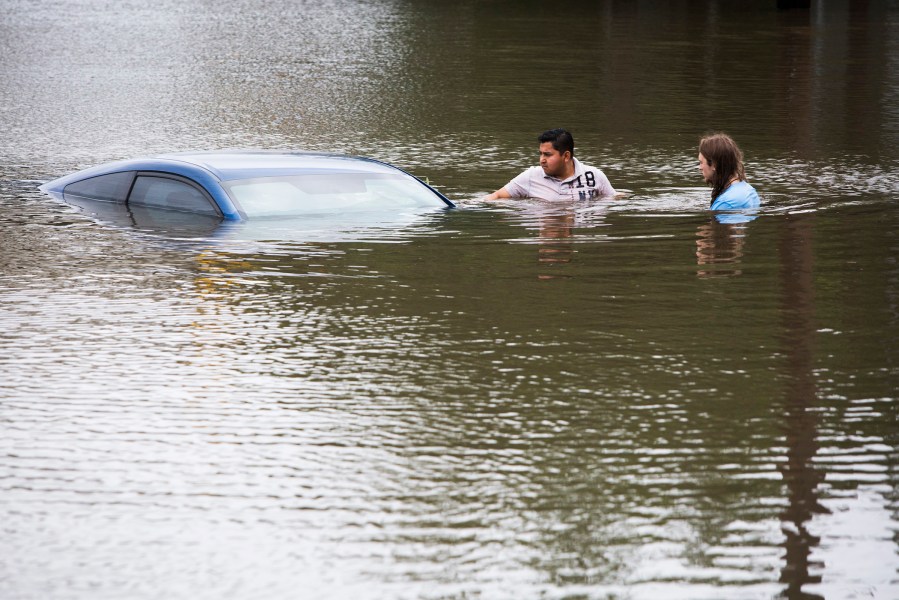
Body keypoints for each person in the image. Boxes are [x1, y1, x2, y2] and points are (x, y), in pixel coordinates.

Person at [484, 128, 616, 201]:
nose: (541, 160)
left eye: (547, 155)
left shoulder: (594, 175)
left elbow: (613, 198)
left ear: (566, 156)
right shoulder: (531, 176)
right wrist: (469, 205)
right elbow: (497, 195)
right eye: (540, 154)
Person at [698, 133, 761, 210]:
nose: (700, 168)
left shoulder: (725, 204)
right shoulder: (750, 190)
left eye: (701, 163)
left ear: (714, 164)